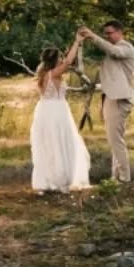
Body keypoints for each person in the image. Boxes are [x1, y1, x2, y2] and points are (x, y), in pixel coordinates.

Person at [29, 35, 92, 193]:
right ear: (55, 60)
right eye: (60, 57)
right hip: (56, 112)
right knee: (60, 142)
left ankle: (51, 179)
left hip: (45, 110)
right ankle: (61, 179)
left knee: (50, 144)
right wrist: (77, 42)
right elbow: (68, 62)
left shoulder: (44, 74)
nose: (62, 59)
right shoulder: (53, 74)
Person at [78, 21, 134, 182]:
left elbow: (113, 51)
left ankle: (124, 178)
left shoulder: (126, 47)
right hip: (111, 99)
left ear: (119, 32)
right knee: (113, 140)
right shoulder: (113, 51)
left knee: (116, 140)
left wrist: (92, 36)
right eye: (105, 33)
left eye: (109, 33)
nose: (107, 36)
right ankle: (115, 176)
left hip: (120, 100)